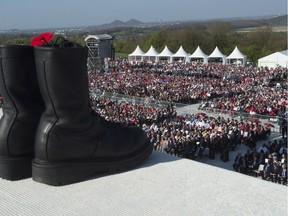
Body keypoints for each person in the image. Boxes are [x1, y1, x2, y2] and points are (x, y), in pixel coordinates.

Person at [0, 34, 153, 186]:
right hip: (64, 137)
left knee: (21, 110)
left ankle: (14, 142)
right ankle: (70, 137)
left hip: (42, 136)